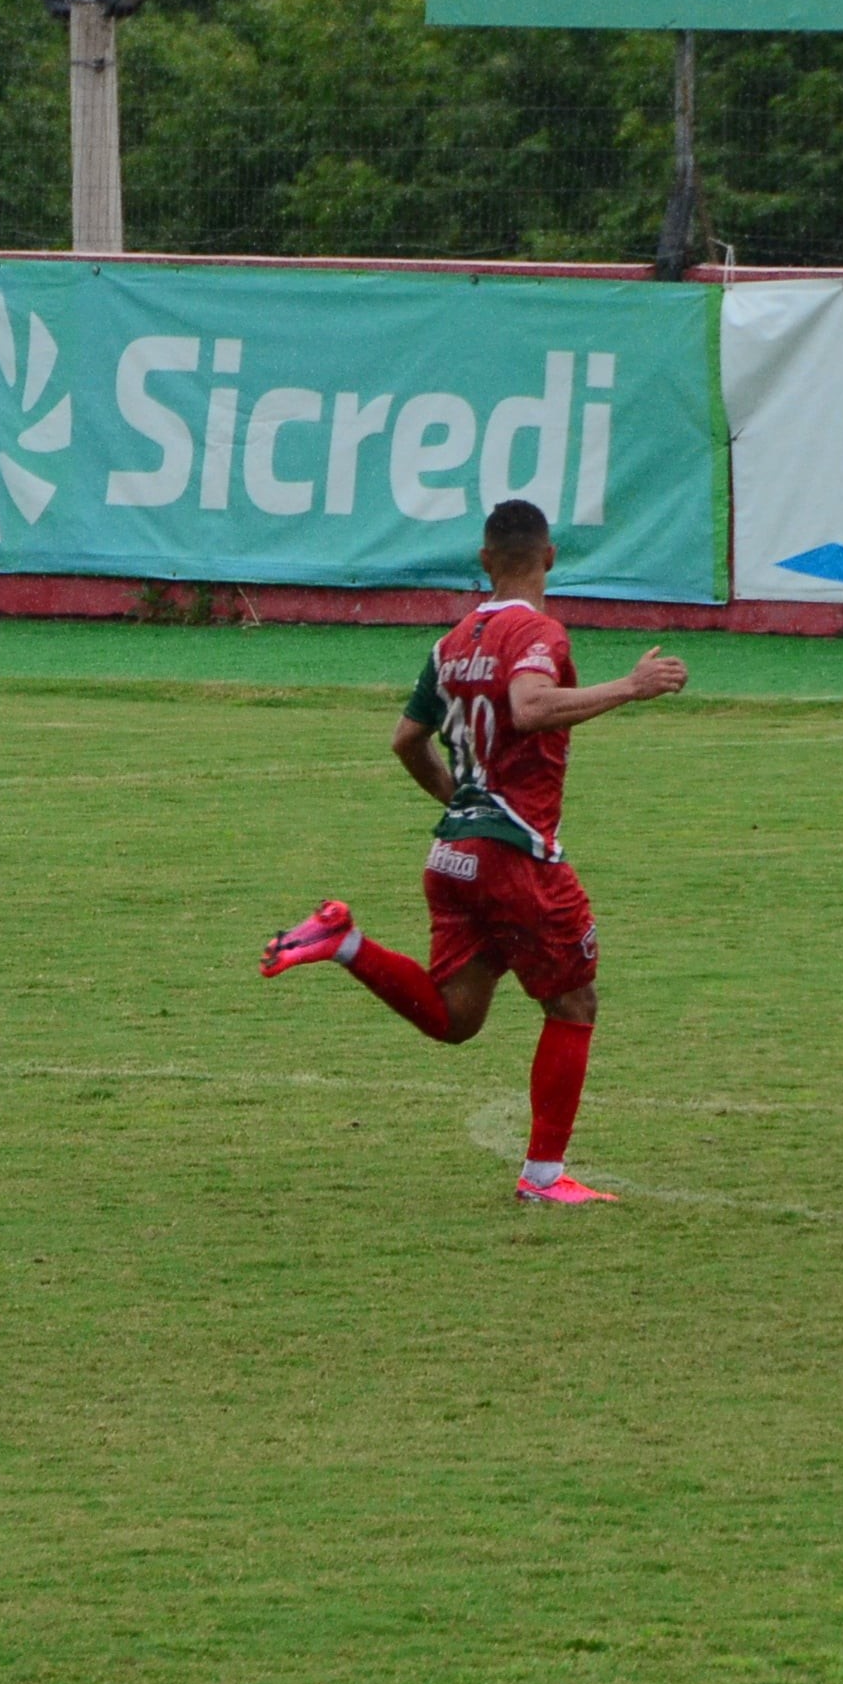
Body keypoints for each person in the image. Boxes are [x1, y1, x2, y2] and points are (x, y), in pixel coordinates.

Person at [258, 500, 688, 1204]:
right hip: (515, 856)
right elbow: (528, 706)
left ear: (484, 561)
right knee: (573, 1002)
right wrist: (631, 688)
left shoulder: (451, 642)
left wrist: (464, 807)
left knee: (457, 1018)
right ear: (549, 558)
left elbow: (405, 740)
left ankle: (344, 941)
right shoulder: (540, 631)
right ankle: (544, 1178)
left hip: (453, 857)